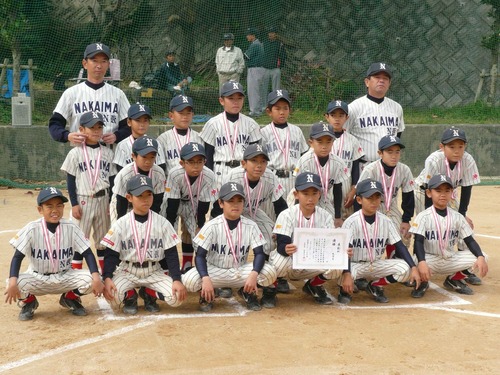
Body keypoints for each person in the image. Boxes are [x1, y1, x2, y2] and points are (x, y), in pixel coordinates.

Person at [4, 188, 103, 321]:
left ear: (63, 208)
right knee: (13, 282)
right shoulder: (32, 228)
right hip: (37, 278)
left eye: (59, 206)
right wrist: (12, 281)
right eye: (49, 206)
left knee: (94, 278)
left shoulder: (71, 227)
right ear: (40, 210)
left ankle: (70, 297)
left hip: (65, 276)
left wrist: (96, 278)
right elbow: (17, 257)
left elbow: (88, 253)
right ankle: (29, 301)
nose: (55, 210)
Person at [182, 182, 277, 312]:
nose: (235, 204)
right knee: (189, 280)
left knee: (270, 272)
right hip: (214, 271)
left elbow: (259, 254)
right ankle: (206, 294)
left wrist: (254, 274)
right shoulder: (211, 226)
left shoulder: (251, 225)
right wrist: (205, 278)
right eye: (230, 201)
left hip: (239, 271)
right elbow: (200, 256)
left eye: (239, 201)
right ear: (221, 203)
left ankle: (246, 292)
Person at [102, 175, 187, 314]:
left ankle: (149, 293)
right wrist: (107, 277)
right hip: (127, 271)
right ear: (129, 197)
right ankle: (130, 296)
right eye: (140, 196)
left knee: (177, 297)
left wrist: (176, 279)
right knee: (112, 297)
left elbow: (171, 253)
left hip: (153, 271)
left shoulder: (162, 222)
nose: (146, 199)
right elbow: (111, 254)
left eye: (149, 195)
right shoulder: (121, 224)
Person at [270, 172, 354, 306]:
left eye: (314, 193)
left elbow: (334, 243)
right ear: (296, 194)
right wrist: (285, 248)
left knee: (337, 267)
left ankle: (313, 285)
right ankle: (271, 290)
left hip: (313, 263)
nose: (310, 198)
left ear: (320, 194)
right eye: (305, 193)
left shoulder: (325, 216)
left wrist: (344, 255)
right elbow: (281, 245)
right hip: (290, 263)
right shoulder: (287, 214)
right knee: (279, 262)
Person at [414, 127, 482, 285]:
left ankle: (461, 270)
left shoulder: (468, 160)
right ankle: (421, 263)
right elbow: (427, 189)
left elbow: (467, 187)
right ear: (441, 147)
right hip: (424, 192)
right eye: (452, 147)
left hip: (448, 193)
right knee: (427, 228)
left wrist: (462, 214)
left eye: (461, 146)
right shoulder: (434, 160)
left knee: (462, 226)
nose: (457, 151)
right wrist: (429, 215)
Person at [341, 179, 420, 303]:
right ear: (359, 200)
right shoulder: (351, 222)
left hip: (376, 264)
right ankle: (344, 289)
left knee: (405, 268)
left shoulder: (386, 221)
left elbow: (399, 246)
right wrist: (346, 273)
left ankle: (375, 285)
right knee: (343, 273)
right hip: (356, 265)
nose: (374, 201)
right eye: (369, 198)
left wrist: (414, 267)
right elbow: (346, 253)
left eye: (377, 197)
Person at [409, 174, 488, 298]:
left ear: (452, 193)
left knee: (482, 257)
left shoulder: (457, 217)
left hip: (451, 259)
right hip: (431, 259)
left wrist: (480, 256)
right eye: (438, 190)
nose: (443, 194)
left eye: (447, 191)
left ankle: (453, 279)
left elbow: (469, 240)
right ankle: (423, 282)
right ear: (429, 193)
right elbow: (418, 242)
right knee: (414, 262)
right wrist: (422, 262)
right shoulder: (423, 216)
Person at [60, 111, 117, 272]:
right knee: (79, 240)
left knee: (103, 241)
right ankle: (75, 278)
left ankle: (106, 275)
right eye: (92, 127)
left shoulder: (107, 152)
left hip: (103, 200)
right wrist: (74, 204)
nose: (96, 131)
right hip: (83, 200)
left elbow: (112, 181)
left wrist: (111, 203)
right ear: (82, 129)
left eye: (99, 127)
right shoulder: (75, 153)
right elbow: (70, 181)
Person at [49, 42, 131, 145]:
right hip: (80, 153)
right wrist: (67, 135)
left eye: (104, 61)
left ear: (108, 64)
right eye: (94, 61)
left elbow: (130, 125)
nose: (99, 66)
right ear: (85, 63)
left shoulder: (118, 94)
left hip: (110, 153)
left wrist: (117, 136)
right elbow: (55, 124)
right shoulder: (71, 93)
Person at [358, 135, 415, 257]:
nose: (394, 156)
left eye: (397, 152)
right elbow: (360, 195)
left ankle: (394, 254)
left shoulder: (404, 170)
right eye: (389, 152)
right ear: (380, 153)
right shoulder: (370, 170)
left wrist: (406, 220)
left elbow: (408, 196)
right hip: (372, 207)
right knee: (370, 234)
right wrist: (361, 217)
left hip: (391, 206)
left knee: (404, 233)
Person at [163, 142, 217, 272]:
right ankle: (166, 268)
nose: (196, 165)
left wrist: (200, 225)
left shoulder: (209, 175)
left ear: (205, 161)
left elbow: (204, 205)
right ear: (182, 163)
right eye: (191, 162)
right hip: (172, 203)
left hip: (193, 204)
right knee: (168, 236)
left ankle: (188, 265)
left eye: (199, 161)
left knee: (197, 237)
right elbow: (172, 205)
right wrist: (170, 225)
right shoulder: (175, 173)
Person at [200, 81, 261, 189]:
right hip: (220, 172)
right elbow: (207, 156)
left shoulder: (251, 124)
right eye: (231, 98)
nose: (236, 102)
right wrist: (209, 181)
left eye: (239, 98)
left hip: (244, 172)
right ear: (221, 101)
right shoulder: (212, 124)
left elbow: (255, 156)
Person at [344, 62, 404, 167]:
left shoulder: (397, 108)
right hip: (362, 166)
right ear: (367, 82)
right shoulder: (354, 107)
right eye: (377, 77)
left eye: (385, 78)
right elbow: (343, 137)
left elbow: (398, 136)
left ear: (389, 83)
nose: (381, 80)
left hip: (389, 168)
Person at [294, 122, 350, 227]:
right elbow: (298, 190)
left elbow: (337, 189)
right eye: (320, 142)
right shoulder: (305, 161)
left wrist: (338, 216)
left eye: (328, 142)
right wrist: (298, 214)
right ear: (311, 142)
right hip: (303, 201)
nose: (324, 146)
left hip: (325, 200)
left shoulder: (338, 162)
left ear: (333, 142)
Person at [261, 89, 309, 201]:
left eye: (285, 108)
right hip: (273, 178)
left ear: (289, 110)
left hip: (294, 178)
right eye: (277, 108)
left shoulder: (296, 131)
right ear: (269, 111)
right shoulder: (264, 133)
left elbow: (305, 156)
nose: (282, 112)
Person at [324, 100, 364, 219]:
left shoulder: (352, 140)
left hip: (346, 185)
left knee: (346, 218)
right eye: (333, 115)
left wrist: (353, 189)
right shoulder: (322, 139)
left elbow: (355, 167)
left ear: (347, 118)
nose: (337, 119)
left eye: (341, 115)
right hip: (327, 183)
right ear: (327, 117)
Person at [112, 136, 166, 223]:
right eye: (144, 157)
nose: (148, 161)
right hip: (123, 203)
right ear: (134, 156)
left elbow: (157, 201)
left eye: (152, 157)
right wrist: (121, 224)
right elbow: (121, 202)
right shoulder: (124, 174)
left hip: (146, 204)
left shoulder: (159, 173)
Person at [112, 103, 166, 172]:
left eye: (145, 120)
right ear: (129, 122)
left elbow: (161, 168)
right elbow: (120, 172)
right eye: (138, 120)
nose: (142, 124)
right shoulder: (122, 146)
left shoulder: (156, 143)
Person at [157, 95, 203, 175]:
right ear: (171, 115)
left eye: (188, 113)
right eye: (181, 113)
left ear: (192, 115)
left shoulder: (199, 137)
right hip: (171, 182)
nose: (185, 117)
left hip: (195, 181)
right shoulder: (162, 139)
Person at [244, 27, 265, 117]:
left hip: (254, 69)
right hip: (260, 69)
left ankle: (254, 112)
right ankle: (259, 109)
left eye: (248, 35)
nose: (247, 37)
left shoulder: (255, 45)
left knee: (253, 90)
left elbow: (246, 56)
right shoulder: (259, 44)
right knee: (258, 90)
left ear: (253, 36)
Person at [262, 26, 287, 92]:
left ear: (276, 34)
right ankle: (264, 102)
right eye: (269, 33)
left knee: (276, 89)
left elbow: (283, 56)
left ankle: (276, 101)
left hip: (275, 69)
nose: (270, 34)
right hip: (265, 68)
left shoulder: (279, 44)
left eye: (272, 33)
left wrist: (279, 66)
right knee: (263, 88)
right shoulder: (264, 43)